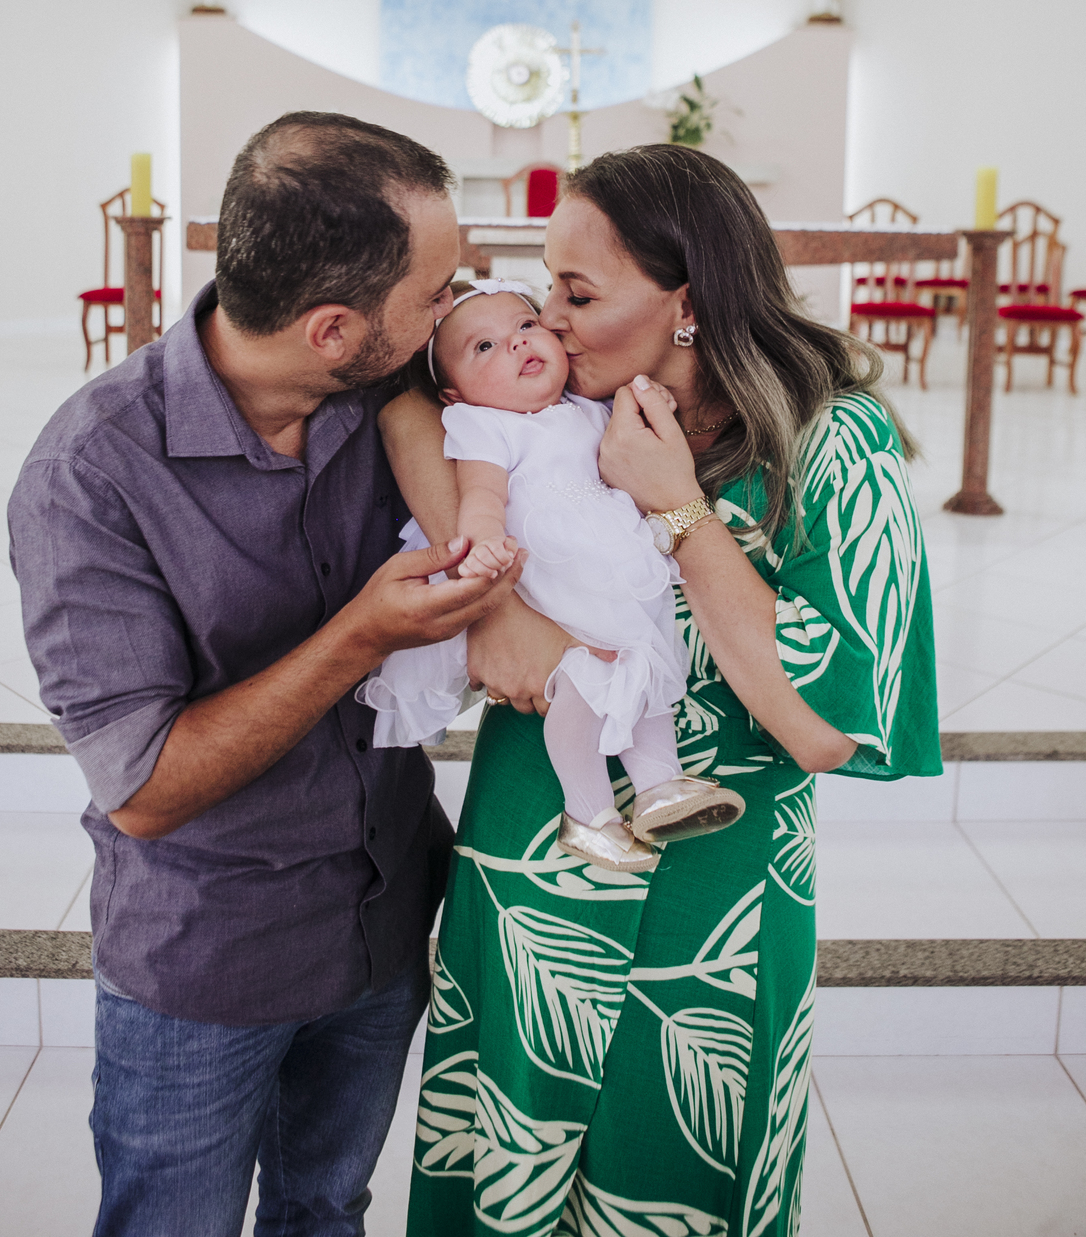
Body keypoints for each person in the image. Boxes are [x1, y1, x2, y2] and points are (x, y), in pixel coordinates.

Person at [380, 144, 941, 1237]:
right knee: (506, 1176)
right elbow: (411, 410)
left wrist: (677, 507)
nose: (547, 322)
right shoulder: (552, 394)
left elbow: (822, 725)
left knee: (676, 1178)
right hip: (535, 862)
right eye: (545, 288)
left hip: (712, 897)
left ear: (687, 304)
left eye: (578, 294)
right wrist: (494, 605)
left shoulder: (833, 442)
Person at [8, 112, 521, 1237]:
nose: (456, 312)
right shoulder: (90, 475)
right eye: (436, 295)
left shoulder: (390, 396)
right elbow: (144, 790)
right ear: (333, 328)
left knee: (326, 1210)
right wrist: (362, 635)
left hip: (383, 918)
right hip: (211, 958)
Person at [358, 278, 745, 874]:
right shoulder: (484, 426)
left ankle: (659, 785)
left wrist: (654, 404)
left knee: (644, 668)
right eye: (484, 347)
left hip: (613, 571)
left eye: (525, 325)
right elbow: (481, 494)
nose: (516, 344)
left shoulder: (588, 407)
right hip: (553, 579)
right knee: (581, 683)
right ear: (454, 394)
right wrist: (483, 544)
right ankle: (587, 812)